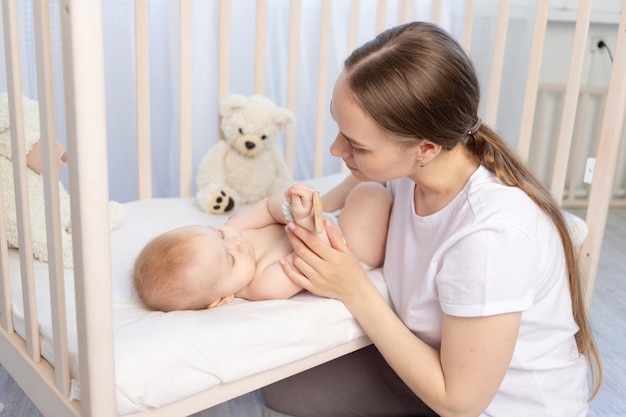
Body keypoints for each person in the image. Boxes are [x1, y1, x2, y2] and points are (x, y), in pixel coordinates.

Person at [262, 21, 602, 417]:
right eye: (340, 131)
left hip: (490, 407)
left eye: (356, 145)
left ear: (425, 147)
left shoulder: (491, 237)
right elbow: (318, 202)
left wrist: (353, 287)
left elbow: (460, 404)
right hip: (435, 362)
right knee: (284, 391)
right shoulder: (409, 174)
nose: (337, 150)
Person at [132, 182, 392, 311]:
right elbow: (313, 256)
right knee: (372, 193)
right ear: (222, 299)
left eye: (218, 233)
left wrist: (288, 207)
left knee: (364, 178)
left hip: (326, 221)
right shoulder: (264, 285)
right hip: (345, 248)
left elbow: (270, 206)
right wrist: (301, 218)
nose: (235, 243)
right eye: (230, 260)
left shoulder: (236, 230)